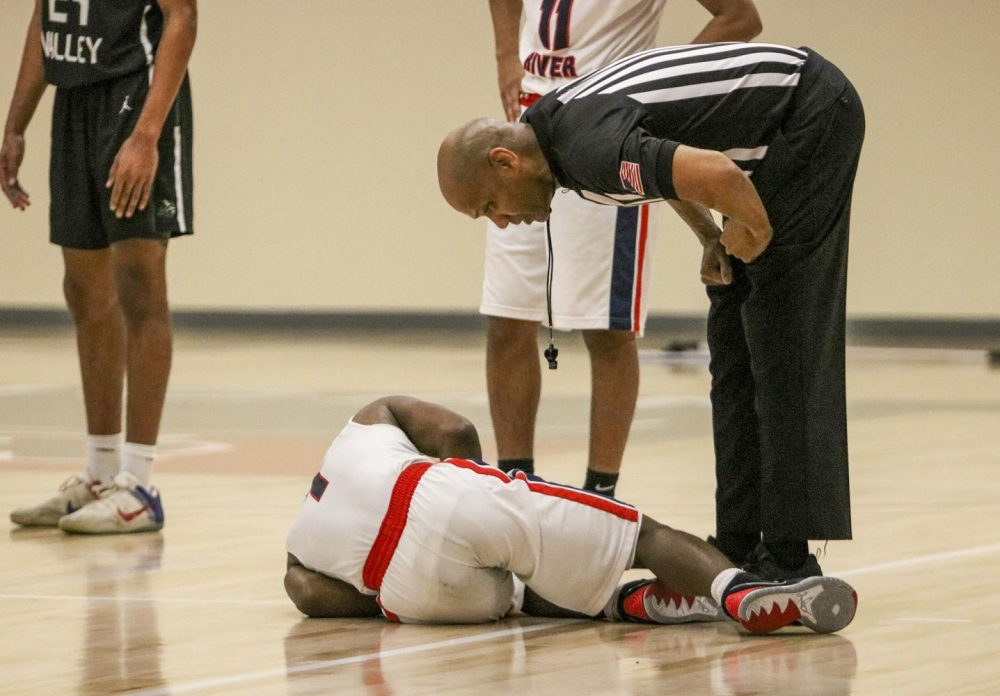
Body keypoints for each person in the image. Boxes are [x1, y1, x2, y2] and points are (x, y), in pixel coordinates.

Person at [437, 42, 864, 580]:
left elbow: (721, 176)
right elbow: (668, 164)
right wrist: (712, 234)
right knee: (732, 336)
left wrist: (754, 230)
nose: (500, 222)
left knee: (781, 330)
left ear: (505, 162)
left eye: (488, 206)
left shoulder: (585, 148)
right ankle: (736, 542)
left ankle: (787, 556)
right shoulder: (557, 135)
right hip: (773, 129)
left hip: (809, 111)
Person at [482, 0, 762, 498]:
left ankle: (599, 494)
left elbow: (740, 17)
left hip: (605, 135)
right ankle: (513, 487)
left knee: (607, 328)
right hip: (528, 134)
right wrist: (508, 53)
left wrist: (652, 90)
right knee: (507, 316)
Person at [284, 395, 857, 634]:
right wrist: (481, 495)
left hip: (412, 597)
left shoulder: (297, 547)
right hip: (437, 498)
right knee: (642, 535)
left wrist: (384, 599)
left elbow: (306, 594)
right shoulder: (370, 418)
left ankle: (626, 603)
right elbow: (456, 432)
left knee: (514, 591)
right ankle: (741, 593)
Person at [3, 0, 198, 534]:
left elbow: (182, 15)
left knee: (140, 281)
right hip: (75, 100)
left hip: (136, 96)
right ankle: (100, 471)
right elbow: (46, 17)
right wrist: (17, 123)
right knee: (83, 290)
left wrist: (147, 133)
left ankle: (139, 484)